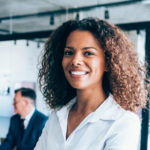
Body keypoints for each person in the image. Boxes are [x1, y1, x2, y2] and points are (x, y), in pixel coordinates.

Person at [34, 17, 148, 150]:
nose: (75, 60)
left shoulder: (123, 121)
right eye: (69, 52)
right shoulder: (58, 115)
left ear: (107, 63)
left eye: (88, 53)